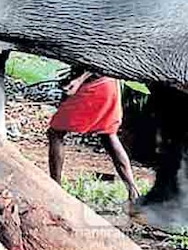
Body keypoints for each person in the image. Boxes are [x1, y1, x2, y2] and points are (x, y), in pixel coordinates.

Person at [48, 67, 140, 206]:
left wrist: (79, 80)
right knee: (108, 135)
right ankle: (133, 191)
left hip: (95, 85)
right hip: (109, 83)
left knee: (55, 132)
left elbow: (94, 58)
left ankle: (55, 187)